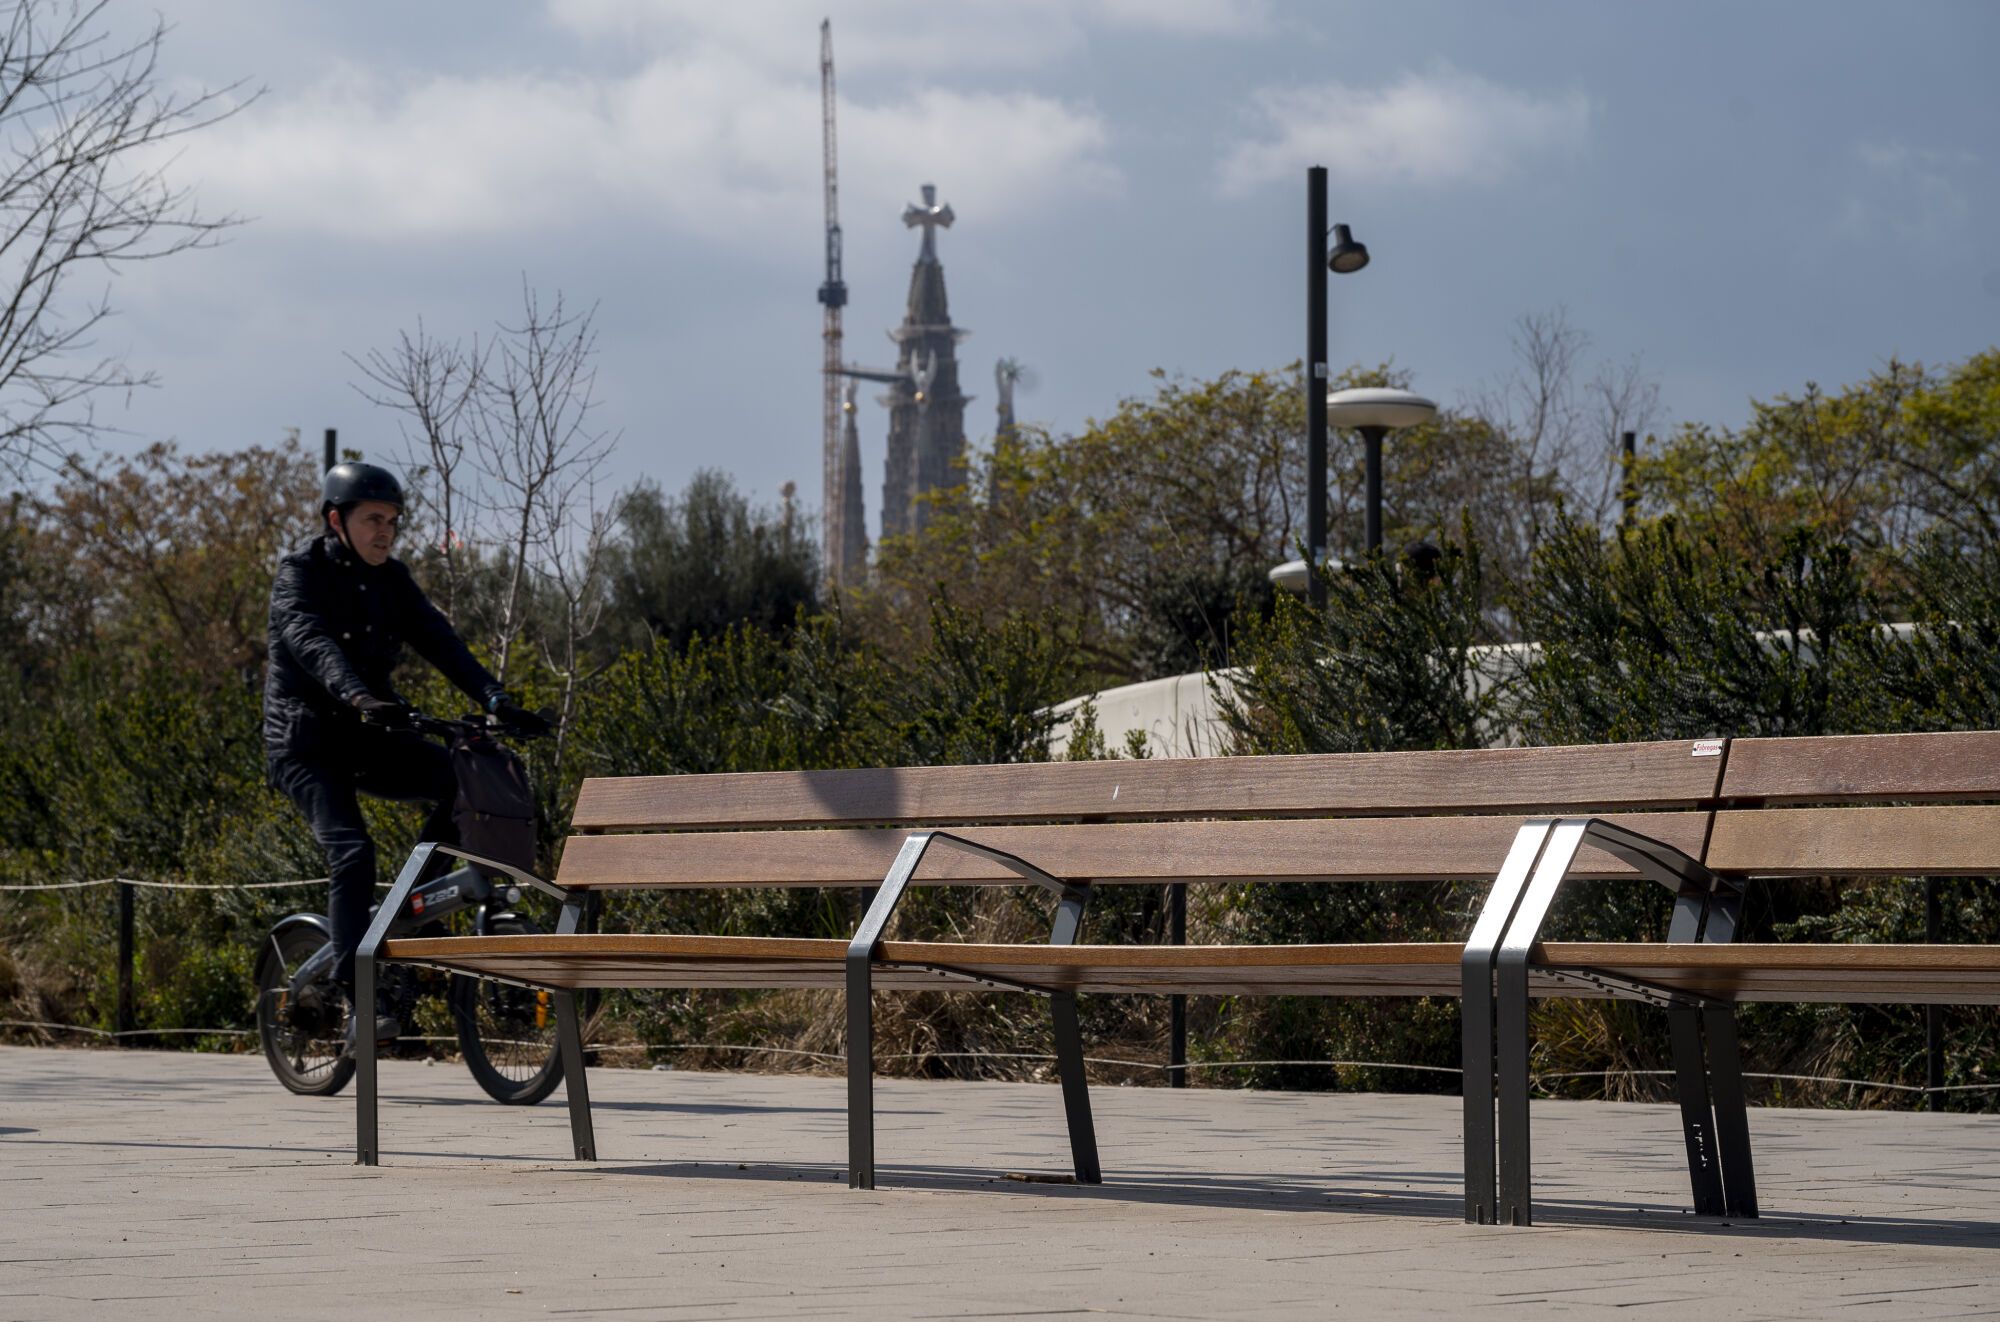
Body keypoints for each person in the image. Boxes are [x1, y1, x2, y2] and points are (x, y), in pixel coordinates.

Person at [264, 462, 546, 1044]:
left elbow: (440, 640)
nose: (385, 532)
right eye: (373, 520)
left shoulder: (392, 578)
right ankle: (353, 992)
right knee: (352, 852)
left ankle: (403, 902)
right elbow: (310, 641)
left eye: (392, 521)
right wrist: (358, 693)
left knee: (459, 783)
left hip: (367, 732)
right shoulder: (301, 572)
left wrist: (496, 696)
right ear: (336, 520)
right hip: (305, 743)